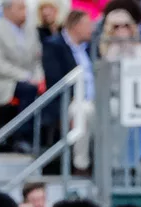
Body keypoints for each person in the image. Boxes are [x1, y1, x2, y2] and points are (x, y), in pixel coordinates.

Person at [0, 0, 42, 152]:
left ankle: (43, 138)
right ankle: (22, 138)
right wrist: (24, 75)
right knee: (28, 90)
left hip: (29, 79)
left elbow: (38, 59)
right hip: (2, 80)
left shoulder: (31, 29)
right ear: (7, 10)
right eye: (20, 8)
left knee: (40, 88)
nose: (25, 12)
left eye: (25, 8)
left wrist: (37, 77)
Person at [41, 9, 96, 172]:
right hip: (68, 101)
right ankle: (81, 165)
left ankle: (113, 164)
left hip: (95, 100)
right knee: (83, 111)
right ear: (76, 26)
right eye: (88, 25)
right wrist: (74, 97)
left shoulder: (90, 47)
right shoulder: (53, 45)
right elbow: (54, 78)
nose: (91, 29)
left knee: (115, 109)